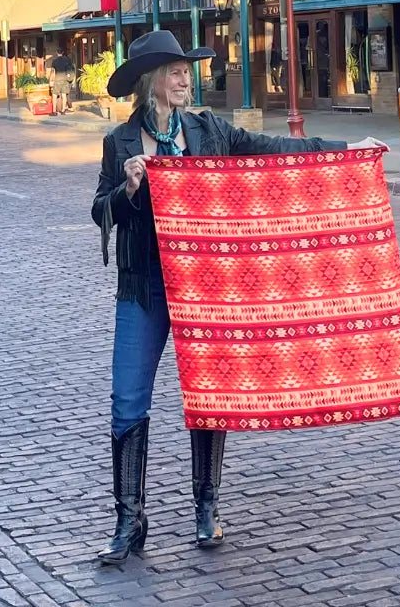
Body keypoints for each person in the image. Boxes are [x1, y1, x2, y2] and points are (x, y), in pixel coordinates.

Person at [91, 30, 380, 565]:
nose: (185, 78)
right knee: (127, 399)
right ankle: (129, 521)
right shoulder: (121, 142)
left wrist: (348, 152)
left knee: (209, 394)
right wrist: (127, 191)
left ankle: (206, 507)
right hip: (145, 286)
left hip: (205, 287)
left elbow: (277, 150)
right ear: (150, 80)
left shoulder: (208, 131)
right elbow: (99, 210)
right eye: (175, 71)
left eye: (186, 70)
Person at [47, 45, 77, 115]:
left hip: (57, 79)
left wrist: (50, 80)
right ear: (63, 52)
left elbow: (52, 71)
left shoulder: (55, 61)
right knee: (64, 95)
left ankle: (54, 111)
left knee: (54, 95)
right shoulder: (67, 59)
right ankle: (63, 110)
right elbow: (71, 68)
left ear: (57, 52)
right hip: (66, 79)